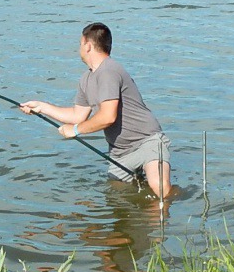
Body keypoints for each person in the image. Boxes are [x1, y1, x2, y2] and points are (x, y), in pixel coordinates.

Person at [20, 23, 172, 198]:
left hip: (147, 141)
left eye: (80, 43)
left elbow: (107, 117)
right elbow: (78, 115)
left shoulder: (109, 71)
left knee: (160, 189)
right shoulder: (86, 79)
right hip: (119, 153)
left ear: (88, 45)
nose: (79, 48)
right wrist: (42, 108)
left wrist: (75, 130)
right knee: (117, 200)